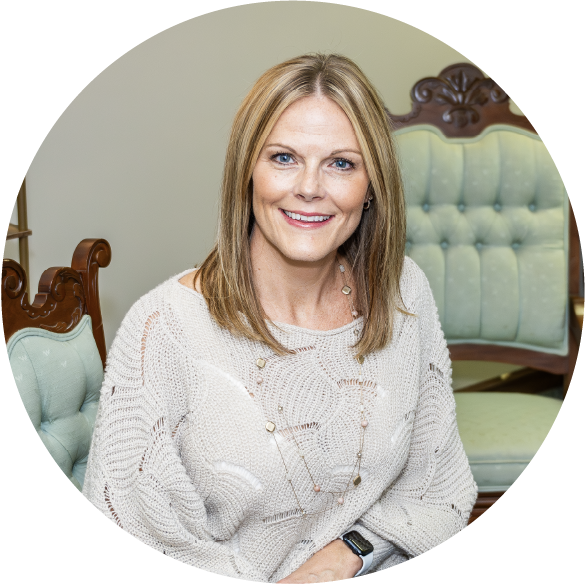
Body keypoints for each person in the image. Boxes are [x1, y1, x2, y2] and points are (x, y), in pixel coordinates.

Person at [83, 53, 477, 583]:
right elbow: (132, 540)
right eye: (284, 157)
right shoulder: (163, 328)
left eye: (342, 163)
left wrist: (343, 557)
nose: (310, 187)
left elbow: (437, 491)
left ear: (372, 184)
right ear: (247, 169)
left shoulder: (403, 292)